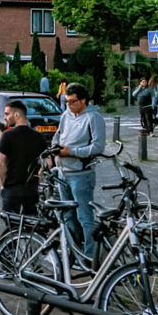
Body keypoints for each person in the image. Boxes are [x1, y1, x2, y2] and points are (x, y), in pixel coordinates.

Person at [52, 83, 106, 257]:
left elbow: (98, 147)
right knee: (68, 217)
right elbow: (58, 135)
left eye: (72, 101)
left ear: (83, 100)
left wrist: (71, 152)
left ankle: (90, 256)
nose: (69, 105)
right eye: (66, 101)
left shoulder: (94, 118)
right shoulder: (66, 115)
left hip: (81, 175)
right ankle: (73, 253)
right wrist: (53, 150)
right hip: (62, 173)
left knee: (84, 217)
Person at [0, 100, 46, 215]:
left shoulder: (7, 135)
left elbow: (0, 164)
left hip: (12, 187)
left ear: (17, 115)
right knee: (31, 224)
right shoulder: (38, 137)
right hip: (31, 188)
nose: (5, 117)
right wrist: (38, 179)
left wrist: (3, 185)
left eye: (7, 114)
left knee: (13, 227)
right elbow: (47, 163)